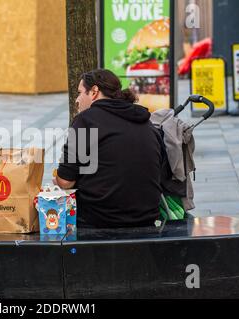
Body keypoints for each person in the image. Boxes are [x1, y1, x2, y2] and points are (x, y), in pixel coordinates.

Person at [55, 69, 163, 228]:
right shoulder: (145, 120)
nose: (77, 100)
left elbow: (65, 182)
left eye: (80, 93)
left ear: (94, 92)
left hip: (100, 219)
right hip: (146, 217)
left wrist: (58, 178)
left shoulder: (85, 120)